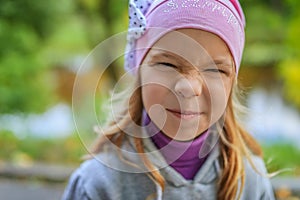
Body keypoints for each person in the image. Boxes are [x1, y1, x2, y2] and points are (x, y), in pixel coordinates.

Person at [62, 0, 275, 199]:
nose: (189, 87)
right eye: (168, 65)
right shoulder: (99, 184)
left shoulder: (250, 183)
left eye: (215, 69)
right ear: (140, 70)